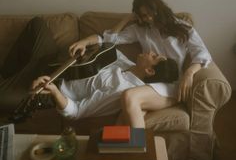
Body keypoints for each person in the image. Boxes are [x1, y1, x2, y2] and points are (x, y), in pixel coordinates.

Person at [69, 0, 213, 127]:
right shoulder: (141, 30)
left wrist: (189, 73)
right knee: (124, 118)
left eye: (150, 13)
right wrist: (85, 41)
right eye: (143, 16)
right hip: (145, 81)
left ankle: (139, 151)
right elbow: (110, 39)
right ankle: (123, 150)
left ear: (157, 8)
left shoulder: (182, 27)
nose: (148, 18)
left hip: (171, 84)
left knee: (130, 98)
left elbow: (203, 54)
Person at [31, 51, 166, 119]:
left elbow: (76, 111)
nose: (151, 52)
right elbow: (108, 44)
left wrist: (54, 91)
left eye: (154, 56)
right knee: (38, 24)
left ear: (149, 70)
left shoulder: (121, 90)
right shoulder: (129, 64)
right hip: (57, 66)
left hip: (50, 87)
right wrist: (86, 46)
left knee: (15, 88)